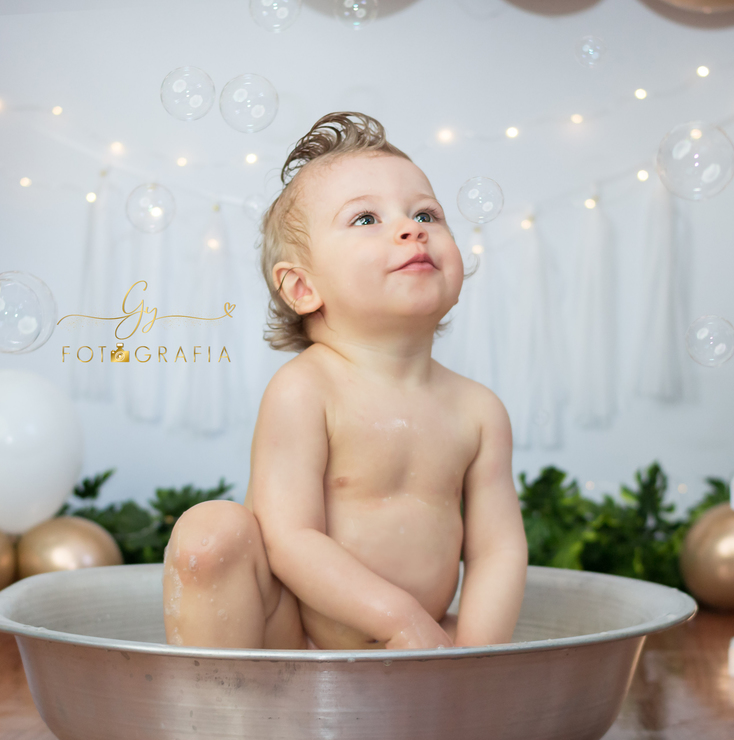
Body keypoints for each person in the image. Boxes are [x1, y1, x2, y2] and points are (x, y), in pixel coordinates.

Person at [163, 111, 527, 650]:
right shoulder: (307, 390)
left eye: (426, 212)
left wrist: (469, 659)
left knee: (471, 656)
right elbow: (290, 538)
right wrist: (400, 619)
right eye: (365, 219)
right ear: (303, 287)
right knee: (211, 530)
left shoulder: (477, 411)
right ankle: (225, 711)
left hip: (419, 644)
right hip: (296, 642)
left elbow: (498, 551)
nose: (412, 228)